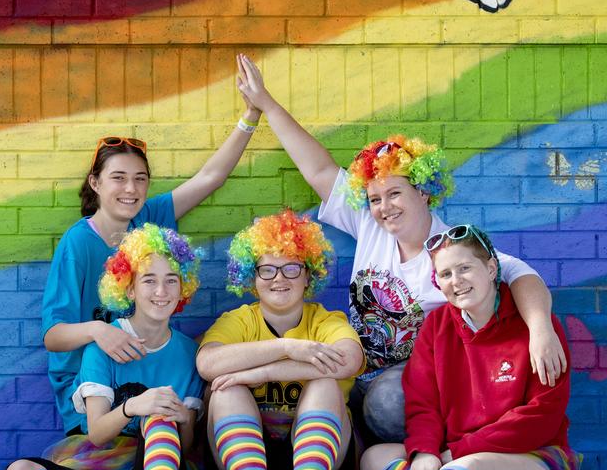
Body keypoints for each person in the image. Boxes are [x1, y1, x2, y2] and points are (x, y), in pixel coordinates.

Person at [234, 53, 567, 443]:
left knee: (387, 403)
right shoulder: (371, 227)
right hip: (352, 363)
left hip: (410, 380)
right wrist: (267, 104)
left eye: (395, 193)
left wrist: (540, 327)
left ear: (424, 192)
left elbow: (521, 273)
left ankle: (415, 466)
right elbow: (320, 170)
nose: (384, 208)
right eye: (375, 198)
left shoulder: (451, 251)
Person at [331, 225, 580, 470]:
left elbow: (541, 417)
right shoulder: (436, 326)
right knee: (375, 460)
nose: (456, 281)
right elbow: (422, 402)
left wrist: (452, 454)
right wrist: (424, 451)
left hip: (533, 464)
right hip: (455, 455)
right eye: (445, 274)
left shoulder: (537, 329)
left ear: (491, 269)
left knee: (467, 468)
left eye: (465, 268)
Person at [43, 92, 261, 435]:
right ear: (96, 183)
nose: (131, 188)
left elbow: (210, 178)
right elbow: (53, 336)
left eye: (140, 178)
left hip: (148, 375)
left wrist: (251, 115)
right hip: (94, 390)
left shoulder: (149, 218)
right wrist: (99, 331)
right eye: (118, 177)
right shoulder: (78, 243)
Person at [6, 224, 209, 470]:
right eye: (149, 280)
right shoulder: (104, 344)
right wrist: (132, 407)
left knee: (159, 417)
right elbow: (97, 433)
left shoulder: (188, 353)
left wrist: (181, 417)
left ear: (183, 288)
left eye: (172, 279)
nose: (161, 290)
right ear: (129, 288)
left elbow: (185, 447)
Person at [196, 210, 365, 470]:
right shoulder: (239, 321)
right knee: (226, 389)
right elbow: (207, 363)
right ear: (253, 277)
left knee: (324, 384)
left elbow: (350, 359)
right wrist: (285, 347)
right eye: (267, 269)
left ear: (308, 276)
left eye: (292, 268)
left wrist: (266, 371)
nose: (279, 279)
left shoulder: (325, 321)